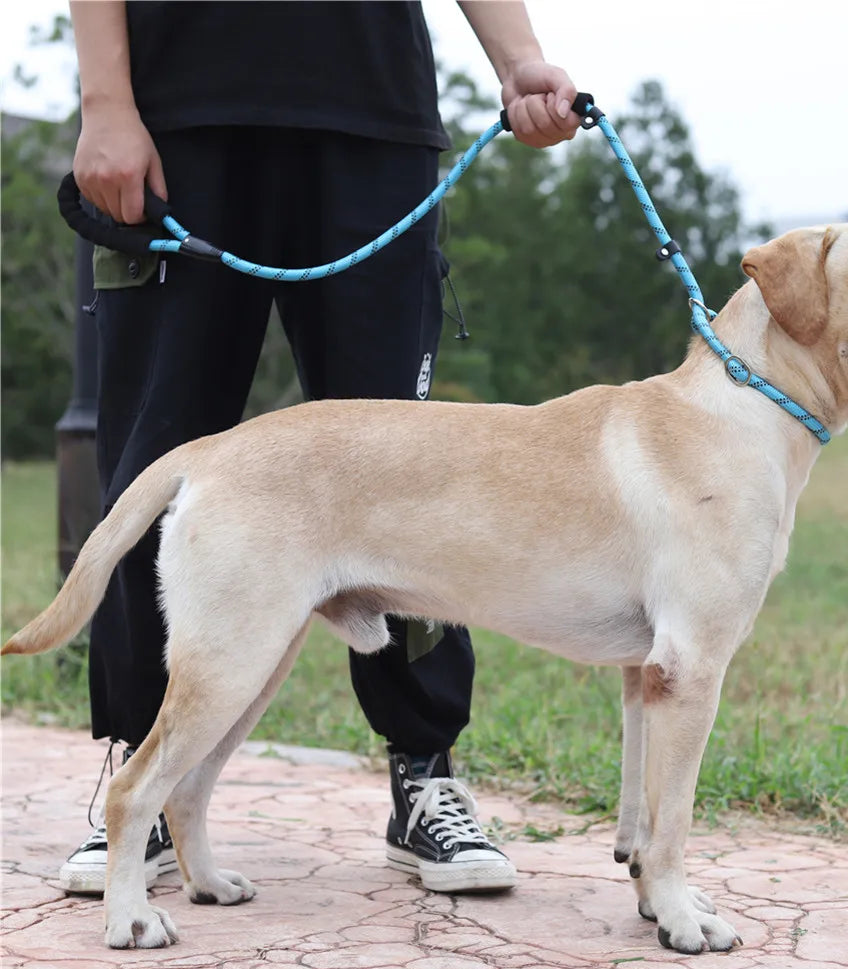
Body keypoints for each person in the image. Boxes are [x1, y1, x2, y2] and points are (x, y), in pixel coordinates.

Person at [59, 0, 579, 897]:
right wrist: (106, 102)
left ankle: (425, 773)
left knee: (410, 477)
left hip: (372, 123)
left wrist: (521, 60)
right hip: (178, 121)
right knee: (157, 462)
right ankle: (141, 774)